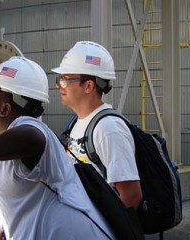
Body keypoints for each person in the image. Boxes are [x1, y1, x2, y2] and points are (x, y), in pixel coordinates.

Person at [0, 56, 115, 240]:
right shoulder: (12, 152)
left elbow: (31, 139)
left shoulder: (31, 130)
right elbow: (3, 223)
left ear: (5, 109)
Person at [51, 41, 143, 209]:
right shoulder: (77, 122)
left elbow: (131, 195)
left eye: (65, 79)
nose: (58, 85)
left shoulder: (108, 129)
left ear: (88, 86)